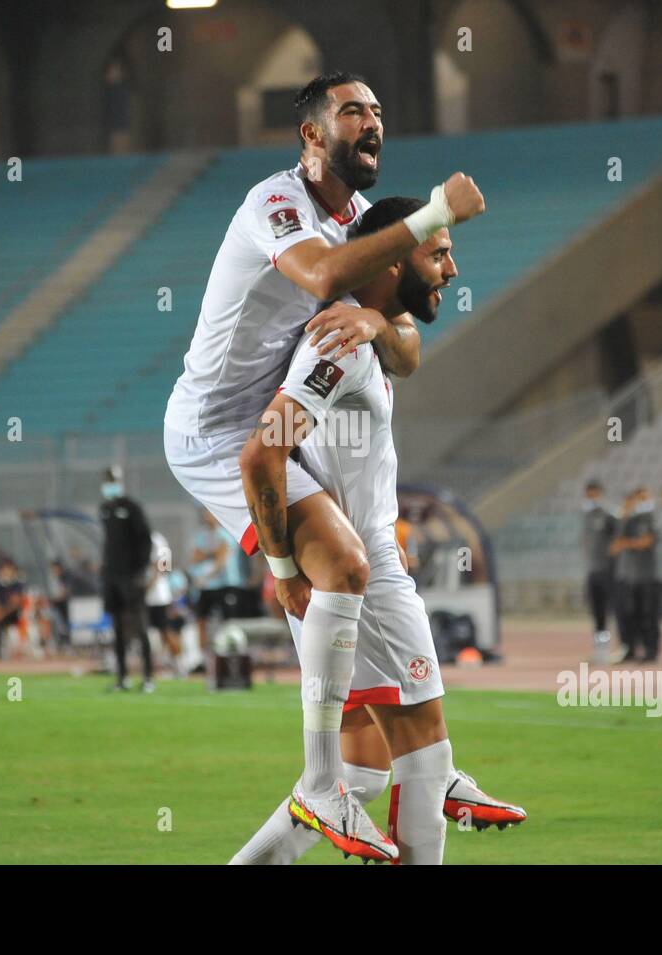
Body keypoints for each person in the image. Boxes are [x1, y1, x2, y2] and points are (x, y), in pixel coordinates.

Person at [163, 70, 486, 861]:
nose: (372, 121)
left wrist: (379, 315)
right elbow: (319, 277)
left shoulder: (362, 226)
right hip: (214, 430)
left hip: (278, 424)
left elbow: (402, 345)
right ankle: (343, 778)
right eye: (352, 111)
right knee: (340, 562)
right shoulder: (276, 204)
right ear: (311, 134)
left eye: (378, 109)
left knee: (370, 759)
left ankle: (405, 767)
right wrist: (437, 213)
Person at [233, 197, 523, 866]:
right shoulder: (335, 343)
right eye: (439, 253)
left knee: (361, 774)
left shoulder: (367, 332)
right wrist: (285, 571)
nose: (452, 268)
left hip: (365, 569)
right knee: (425, 757)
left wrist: (376, 320)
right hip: (365, 577)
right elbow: (264, 449)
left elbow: (407, 350)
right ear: (394, 261)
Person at [100, 465, 154, 692]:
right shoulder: (104, 509)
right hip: (112, 576)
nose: (110, 483)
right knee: (117, 628)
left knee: (140, 627)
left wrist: (140, 571)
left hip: (131, 576)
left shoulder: (132, 508)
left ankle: (148, 678)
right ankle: (122, 677)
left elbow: (146, 540)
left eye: (113, 479)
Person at [612, 487, 660, 663]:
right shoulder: (631, 521)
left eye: (642, 497)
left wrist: (629, 543)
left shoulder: (653, 518)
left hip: (650, 575)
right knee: (633, 615)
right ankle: (633, 649)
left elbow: (646, 542)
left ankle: (651, 651)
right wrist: (624, 517)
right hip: (632, 577)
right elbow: (616, 545)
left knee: (649, 616)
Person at [580, 479, 618, 663]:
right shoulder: (587, 516)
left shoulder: (609, 515)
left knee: (608, 611)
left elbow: (617, 541)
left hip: (607, 570)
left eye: (593, 494)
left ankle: (613, 648)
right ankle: (600, 649)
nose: (590, 497)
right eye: (588, 494)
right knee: (597, 612)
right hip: (593, 570)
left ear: (600, 493)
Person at [147, 530, 181, 676]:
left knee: (165, 630)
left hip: (158, 595)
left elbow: (164, 566)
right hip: (143, 595)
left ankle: (180, 663)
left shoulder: (157, 539)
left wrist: (149, 583)